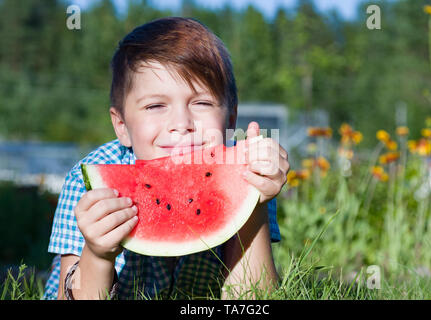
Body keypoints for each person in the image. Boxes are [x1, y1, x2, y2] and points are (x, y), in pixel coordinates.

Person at [43, 17, 290, 300]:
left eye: (202, 103)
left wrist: (253, 204)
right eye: (156, 105)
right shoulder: (88, 181)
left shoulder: (247, 171)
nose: (181, 123)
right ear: (122, 125)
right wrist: (97, 254)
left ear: (231, 119)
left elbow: (253, 299)